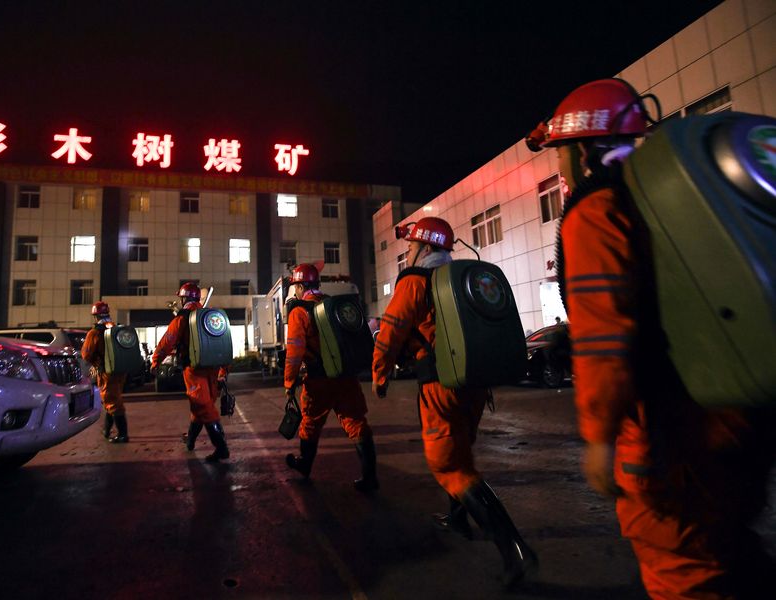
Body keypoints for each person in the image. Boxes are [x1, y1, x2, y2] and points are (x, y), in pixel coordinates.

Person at [530, 77, 776, 598]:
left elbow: (603, 336)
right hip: (738, 417)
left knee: (683, 573)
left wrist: (599, 436)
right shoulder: (670, 198)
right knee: (732, 549)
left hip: (670, 436)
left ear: (582, 149)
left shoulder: (597, 211)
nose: (560, 170)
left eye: (560, 155)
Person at [371, 217, 537, 587]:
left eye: (411, 247)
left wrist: (380, 375)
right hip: (475, 385)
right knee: (461, 450)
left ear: (425, 248)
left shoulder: (416, 281)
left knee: (449, 464)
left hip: (440, 385)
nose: (408, 253)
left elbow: (391, 331)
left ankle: (514, 550)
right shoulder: (462, 279)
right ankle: (458, 519)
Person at [283, 263, 378, 492]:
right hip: (346, 376)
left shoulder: (299, 311)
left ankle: (305, 465)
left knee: (310, 422)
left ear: (300, 286)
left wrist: (289, 381)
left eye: (295, 286)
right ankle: (370, 476)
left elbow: (294, 351)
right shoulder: (332, 304)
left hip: (319, 381)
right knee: (355, 421)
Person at [151, 282, 230, 462]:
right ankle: (190, 441)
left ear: (184, 298)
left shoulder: (182, 318)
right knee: (200, 406)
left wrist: (155, 361)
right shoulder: (210, 316)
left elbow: (167, 342)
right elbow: (223, 342)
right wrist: (224, 370)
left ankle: (221, 448)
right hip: (213, 368)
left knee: (204, 407)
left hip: (194, 370)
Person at [82, 301, 129, 443]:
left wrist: (95, 363)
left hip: (106, 372)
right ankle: (107, 430)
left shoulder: (95, 332)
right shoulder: (116, 328)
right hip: (120, 370)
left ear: (95, 316)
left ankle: (123, 435)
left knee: (112, 401)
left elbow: (86, 354)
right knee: (112, 399)